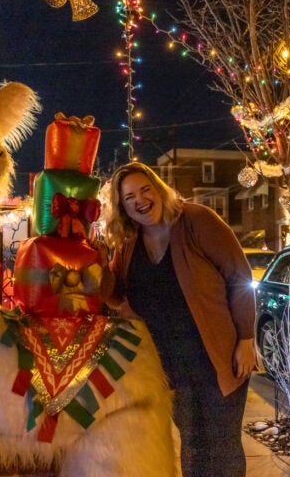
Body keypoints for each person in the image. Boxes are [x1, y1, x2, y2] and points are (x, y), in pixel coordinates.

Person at [102, 161, 257, 477]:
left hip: (218, 359)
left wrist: (246, 338)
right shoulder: (129, 242)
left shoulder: (196, 221)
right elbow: (114, 290)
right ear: (122, 206)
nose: (140, 200)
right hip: (170, 365)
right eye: (130, 196)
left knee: (222, 447)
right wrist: (89, 262)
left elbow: (239, 276)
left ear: (159, 189)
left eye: (146, 189)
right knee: (192, 446)